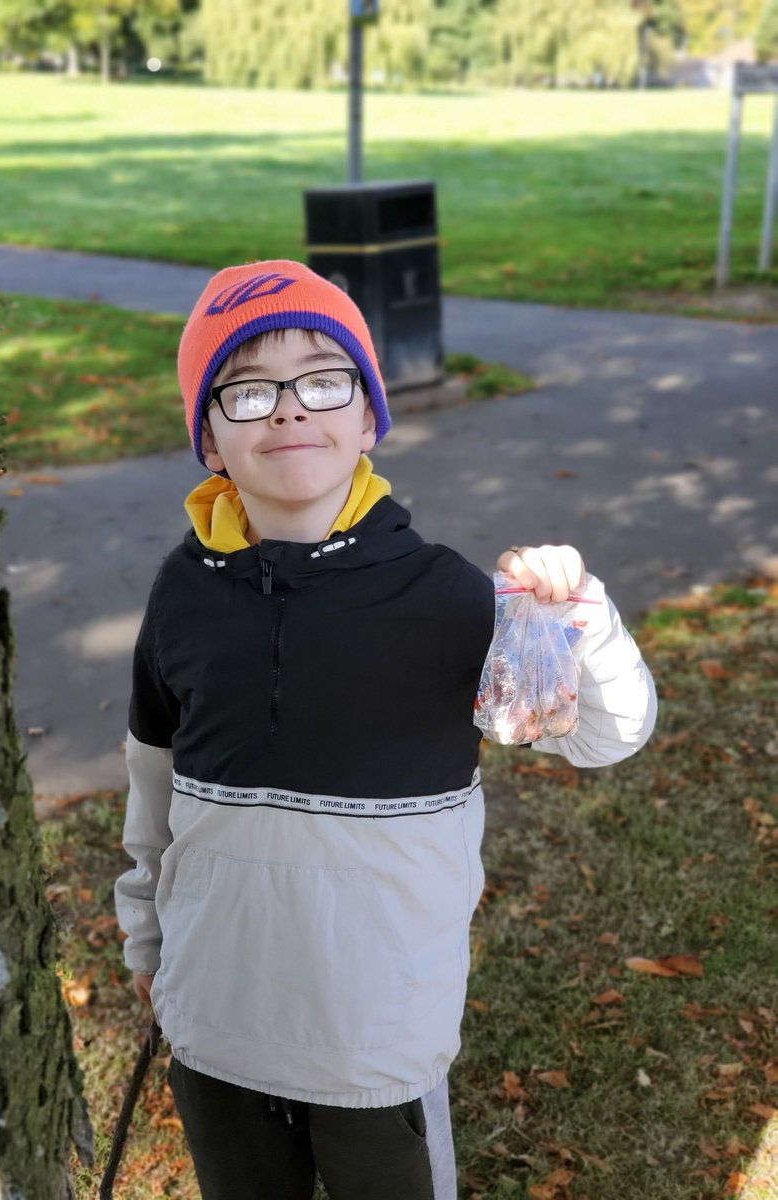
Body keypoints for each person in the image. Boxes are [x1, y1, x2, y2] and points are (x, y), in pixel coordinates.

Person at [114, 260, 657, 1200]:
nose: (288, 411)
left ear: (367, 416)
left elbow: (606, 736)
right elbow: (153, 785)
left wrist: (579, 617)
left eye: (323, 381)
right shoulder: (182, 592)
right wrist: (148, 948)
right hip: (215, 1014)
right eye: (246, 391)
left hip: (374, 1034)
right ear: (209, 435)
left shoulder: (448, 597)